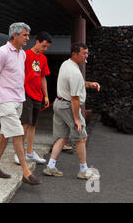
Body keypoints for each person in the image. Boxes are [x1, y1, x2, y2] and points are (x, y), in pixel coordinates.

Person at [0, 22, 41, 185]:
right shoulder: (1, 53)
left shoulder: (22, 54)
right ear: (14, 35)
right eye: (24, 35)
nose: (27, 38)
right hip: (6, 100)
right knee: (17, 133)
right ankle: (26, 171)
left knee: (5, 134)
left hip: (18, 99)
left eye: (28, 35)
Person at [43, 43, 101, 180]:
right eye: (84, 53)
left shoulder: (66, 64)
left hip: (59, 104)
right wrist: (76, 119)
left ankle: (50, 167)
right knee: (81, 138)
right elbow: (75, 99)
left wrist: (89, 84)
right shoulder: (74, 72)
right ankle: (83, 170)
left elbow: (77, 83)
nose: (86, 56)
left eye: (87, 53)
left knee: (62, 137)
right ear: (75, 54)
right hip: (69, 106)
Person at [14, 31, 52, 166]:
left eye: (47, 47)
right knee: (25, 124)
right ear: (37, 41)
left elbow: (43, 78)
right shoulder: (25, 55)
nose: (45, 49)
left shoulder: (43, 59)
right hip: (25, 93)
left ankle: (30, 152)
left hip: (38, 95)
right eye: (44, 46)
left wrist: (46, 95)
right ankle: (19, 153)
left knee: (33, 125)